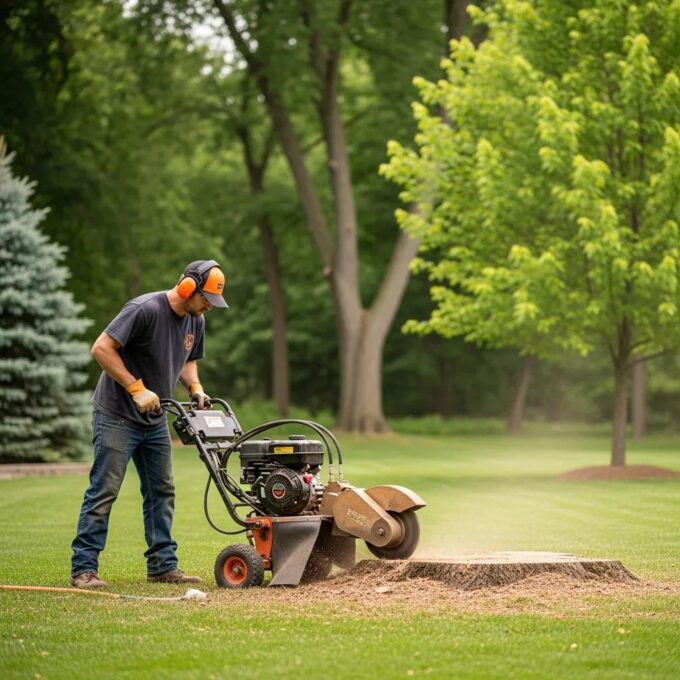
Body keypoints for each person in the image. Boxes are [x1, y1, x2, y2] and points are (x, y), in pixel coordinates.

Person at [70, 259, 228, 588]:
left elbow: (187, 360)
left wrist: (195, 388)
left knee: (161, 491)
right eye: (206, 300)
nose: (209, 308)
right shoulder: (145, 309)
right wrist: (136, 387)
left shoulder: (195, 320)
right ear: (188, 287)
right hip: (117, 414)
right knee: (104, 490)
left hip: (154, 419)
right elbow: (100, 348)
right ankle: (84, 569)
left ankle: (162, 565)